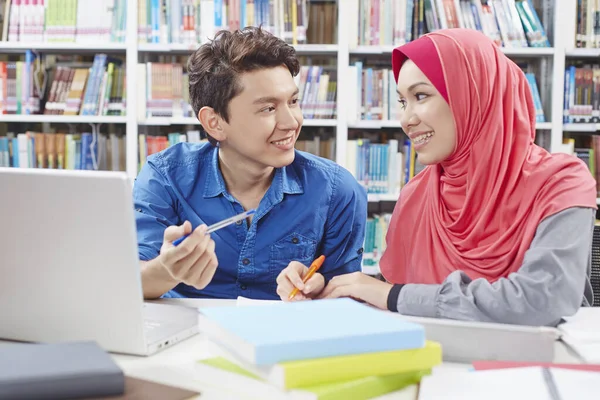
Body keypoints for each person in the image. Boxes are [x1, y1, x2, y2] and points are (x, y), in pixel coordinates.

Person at [318, 28, 597, 327]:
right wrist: (337, 293)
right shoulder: (416, 196)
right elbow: (395, 302)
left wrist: (393, 296)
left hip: (527, 369)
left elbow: (543, 299)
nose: (406, 119)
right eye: (402, 101)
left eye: (420, 96)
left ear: (473, 95)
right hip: (431, 365)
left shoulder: (561, 182)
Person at [134, 27, 367, 300]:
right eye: (268, 108)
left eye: (293, 101)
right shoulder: (164, 176)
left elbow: (346, 299)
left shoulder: (338, 190)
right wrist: (167, 270)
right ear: (215, 122)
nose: (292, 122)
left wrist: (316, 293)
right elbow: (130, 281)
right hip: (189, 338)